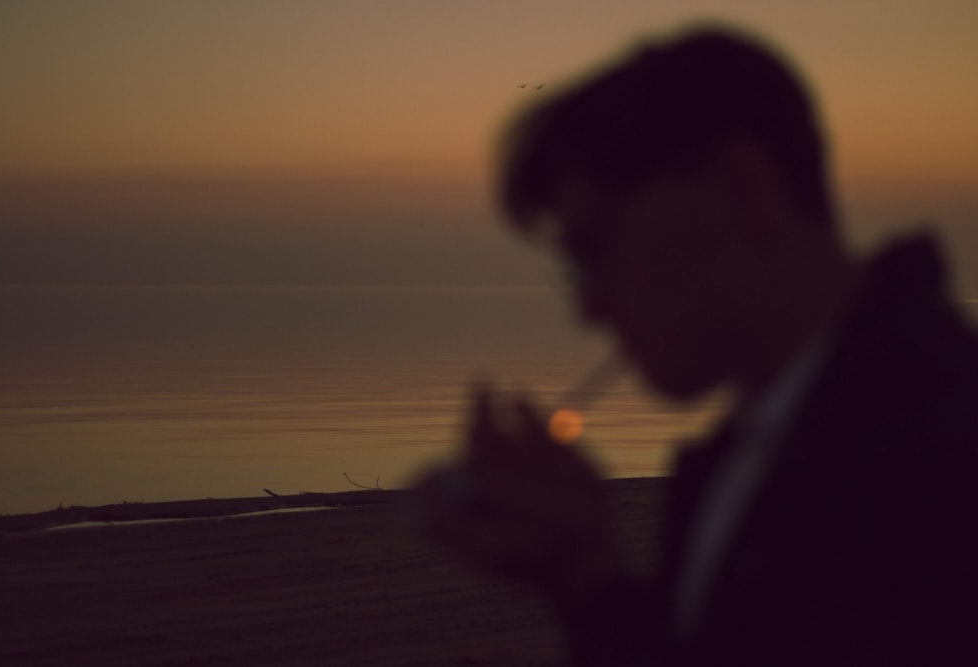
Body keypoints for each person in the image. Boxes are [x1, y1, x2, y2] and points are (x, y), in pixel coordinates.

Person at [416, 24, 978, 666]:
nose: (589, 306)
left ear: (745, 192)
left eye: (598, 248)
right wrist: (584, 572)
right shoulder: (751, 449)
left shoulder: (940, 464)